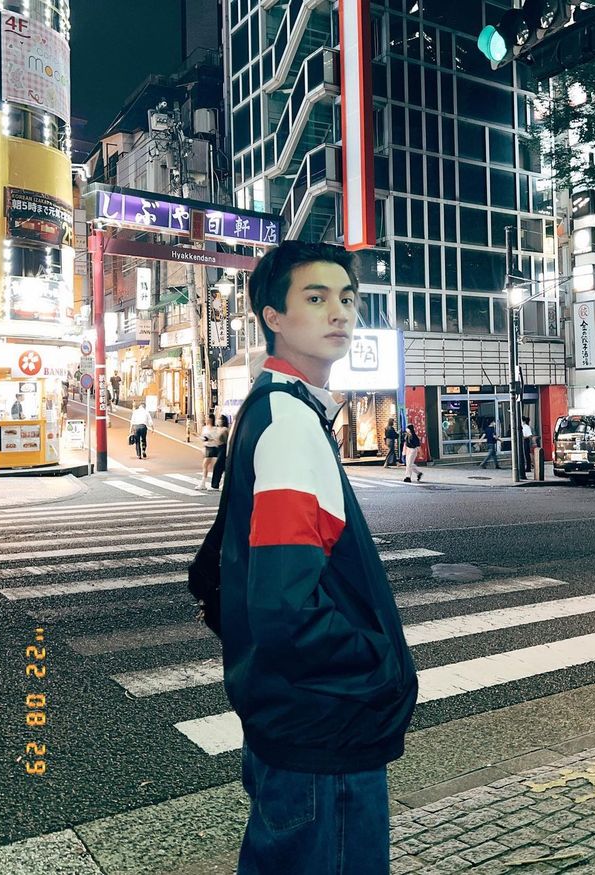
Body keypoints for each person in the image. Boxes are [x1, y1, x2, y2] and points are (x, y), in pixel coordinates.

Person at [218, 240, 417, 874]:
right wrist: (377, 667)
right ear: (273, 316)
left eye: (348, 298)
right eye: (315, 297)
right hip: (323, 737)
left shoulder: (277, 409)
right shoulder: (290, 423)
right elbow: (284, 606)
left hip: (297, 727)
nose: (340, 313)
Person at [196, 413, 220, 490]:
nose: (206, 420)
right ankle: (204, 482)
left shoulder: (215, 429)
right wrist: (203, 439)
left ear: (211, 419)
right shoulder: (205, 428)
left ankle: (204, 483)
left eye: (208, 418)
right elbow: (202, 436)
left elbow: (217, 438)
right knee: (207, 465)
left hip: (213, 447)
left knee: (206, 465)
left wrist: (209, 439)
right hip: (207, 447)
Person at [209, 414, 229, 490]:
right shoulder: (218, 429)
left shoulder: (225, 429)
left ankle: (215, 485)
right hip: (218, 448)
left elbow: (227, 441)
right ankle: (218, 484)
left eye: (220, 419)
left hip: (223, 448)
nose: (218, 421)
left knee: (218, 467)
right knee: (223, 467)